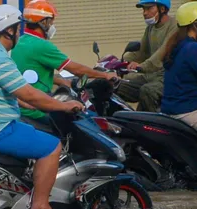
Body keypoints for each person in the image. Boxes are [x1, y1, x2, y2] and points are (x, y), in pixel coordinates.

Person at [0, 5, 84, 209]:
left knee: (30, 133)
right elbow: (30, 93)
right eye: (18, 28)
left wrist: (25, 101)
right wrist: (63, 105)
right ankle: (40, 207)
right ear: (9, 31)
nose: (20, 33)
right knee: (52, 146)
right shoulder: (0, 60)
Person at [11, 1, 119, 131]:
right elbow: (75, 69)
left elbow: (30, 70)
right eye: (51, 21)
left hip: (23, 105)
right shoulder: (42, 46)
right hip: (38, 109)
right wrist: (105, 75)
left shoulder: (21, 41)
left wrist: (59, 80)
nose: (52, 26)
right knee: (87, 119)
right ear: (43, 22)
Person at [119, 1, 176, 110]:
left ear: (162, 9)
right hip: (150, 76)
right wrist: (119, 62)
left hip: (166, 77)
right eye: (143, 9)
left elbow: (161, 53)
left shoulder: (174, 26)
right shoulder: (150, 28)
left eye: (149, 8)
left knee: (148, 91)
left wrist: (141, 66)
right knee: (117, 86)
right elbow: (141, 52)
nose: (145, 13)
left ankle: (154, 124)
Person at [163, 1, 197, 131]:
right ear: (196, 24)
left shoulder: (178, 45)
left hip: (174, 108)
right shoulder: (192, 48)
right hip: (188, 110)